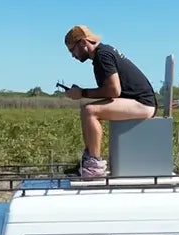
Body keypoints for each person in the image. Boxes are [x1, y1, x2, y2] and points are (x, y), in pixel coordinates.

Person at [63, 25, 158, 177]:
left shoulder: (102, 56)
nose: (72, 55)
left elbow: (114, 90)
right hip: (138, 101)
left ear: (82, 43)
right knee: (89, 109)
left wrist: (82, 93)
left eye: (71, 50)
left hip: (143, 104)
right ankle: (90, 158)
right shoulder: (103, 53)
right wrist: (82, 92)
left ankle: (94, 165)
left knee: (90, 111)